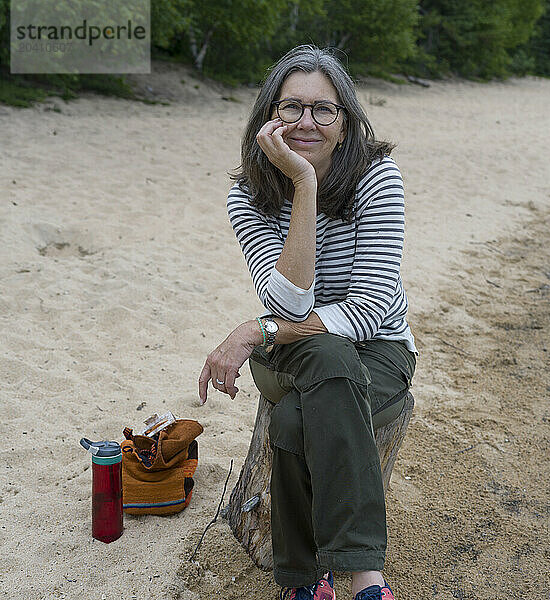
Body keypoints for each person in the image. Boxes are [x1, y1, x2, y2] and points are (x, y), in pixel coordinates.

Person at [198, 45, 417, 600]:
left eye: (324, 110)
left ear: (346, 124)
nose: (306, 123)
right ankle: (368, 575)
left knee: (295, 420)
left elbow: (370, 310)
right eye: (291, 107)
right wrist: (303, 187)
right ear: (268, 115)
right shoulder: (247, 192)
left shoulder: (378, 178)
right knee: (328, 355)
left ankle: (304, 579)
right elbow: (293, 305)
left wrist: (257, 331)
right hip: (298, 346)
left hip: (381, 347)